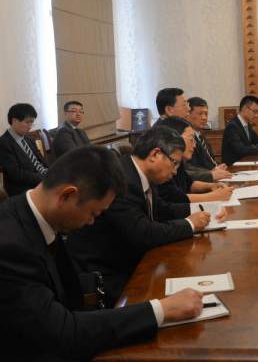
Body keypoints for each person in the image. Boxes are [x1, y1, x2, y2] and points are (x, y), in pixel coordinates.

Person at [0, 145, 205, 360]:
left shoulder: (39, 215)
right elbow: (62, 333)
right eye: (93, 213)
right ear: (67, 196)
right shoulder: (9, 247)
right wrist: (161, 310)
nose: (92, 222)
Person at [66, 126, 216, 306]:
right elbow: (144, 233)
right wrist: (189, 224)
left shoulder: (139, 173)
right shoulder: (123, 179)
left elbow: (162, 209)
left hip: (129, 260)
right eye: (174, 163)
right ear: (155, 154)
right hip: (108, 274)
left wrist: (206, 209)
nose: (175, 171)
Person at [156, 116, 233, 204]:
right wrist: (214, 196)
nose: (194, 145)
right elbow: (175, 198)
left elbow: (190, 184)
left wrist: (212, 186)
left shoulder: (179, 161)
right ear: (175, 139)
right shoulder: (163, 164)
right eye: (191, 139)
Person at [0, 103, 48, 196]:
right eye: (27, 122)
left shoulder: (28, 139)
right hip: (23, 187)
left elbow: (40, 161)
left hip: (41, 179)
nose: (30, 126)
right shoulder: (4, 142)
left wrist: (50, 171)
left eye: (32, 122)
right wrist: (43, 177)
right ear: (14, 121)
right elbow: (16, 174)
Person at [221, 95, 258, 165]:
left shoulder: (247, 125)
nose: (256, 115)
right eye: (255, 111)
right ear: (245, 108)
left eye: (257, 112)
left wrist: (252, 148)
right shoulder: (232, 126)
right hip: (233, 168)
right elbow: (241, 150)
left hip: (246, 164)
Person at [185, 97, 232, 182]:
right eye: (200, 114)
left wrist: (218, 167)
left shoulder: (201, 136)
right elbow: (190, 168)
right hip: (201, 181)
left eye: (206, 114)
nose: (204, 118)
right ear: (188, 115)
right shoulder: (187, 138)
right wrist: (210, 172)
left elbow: (211, 161)